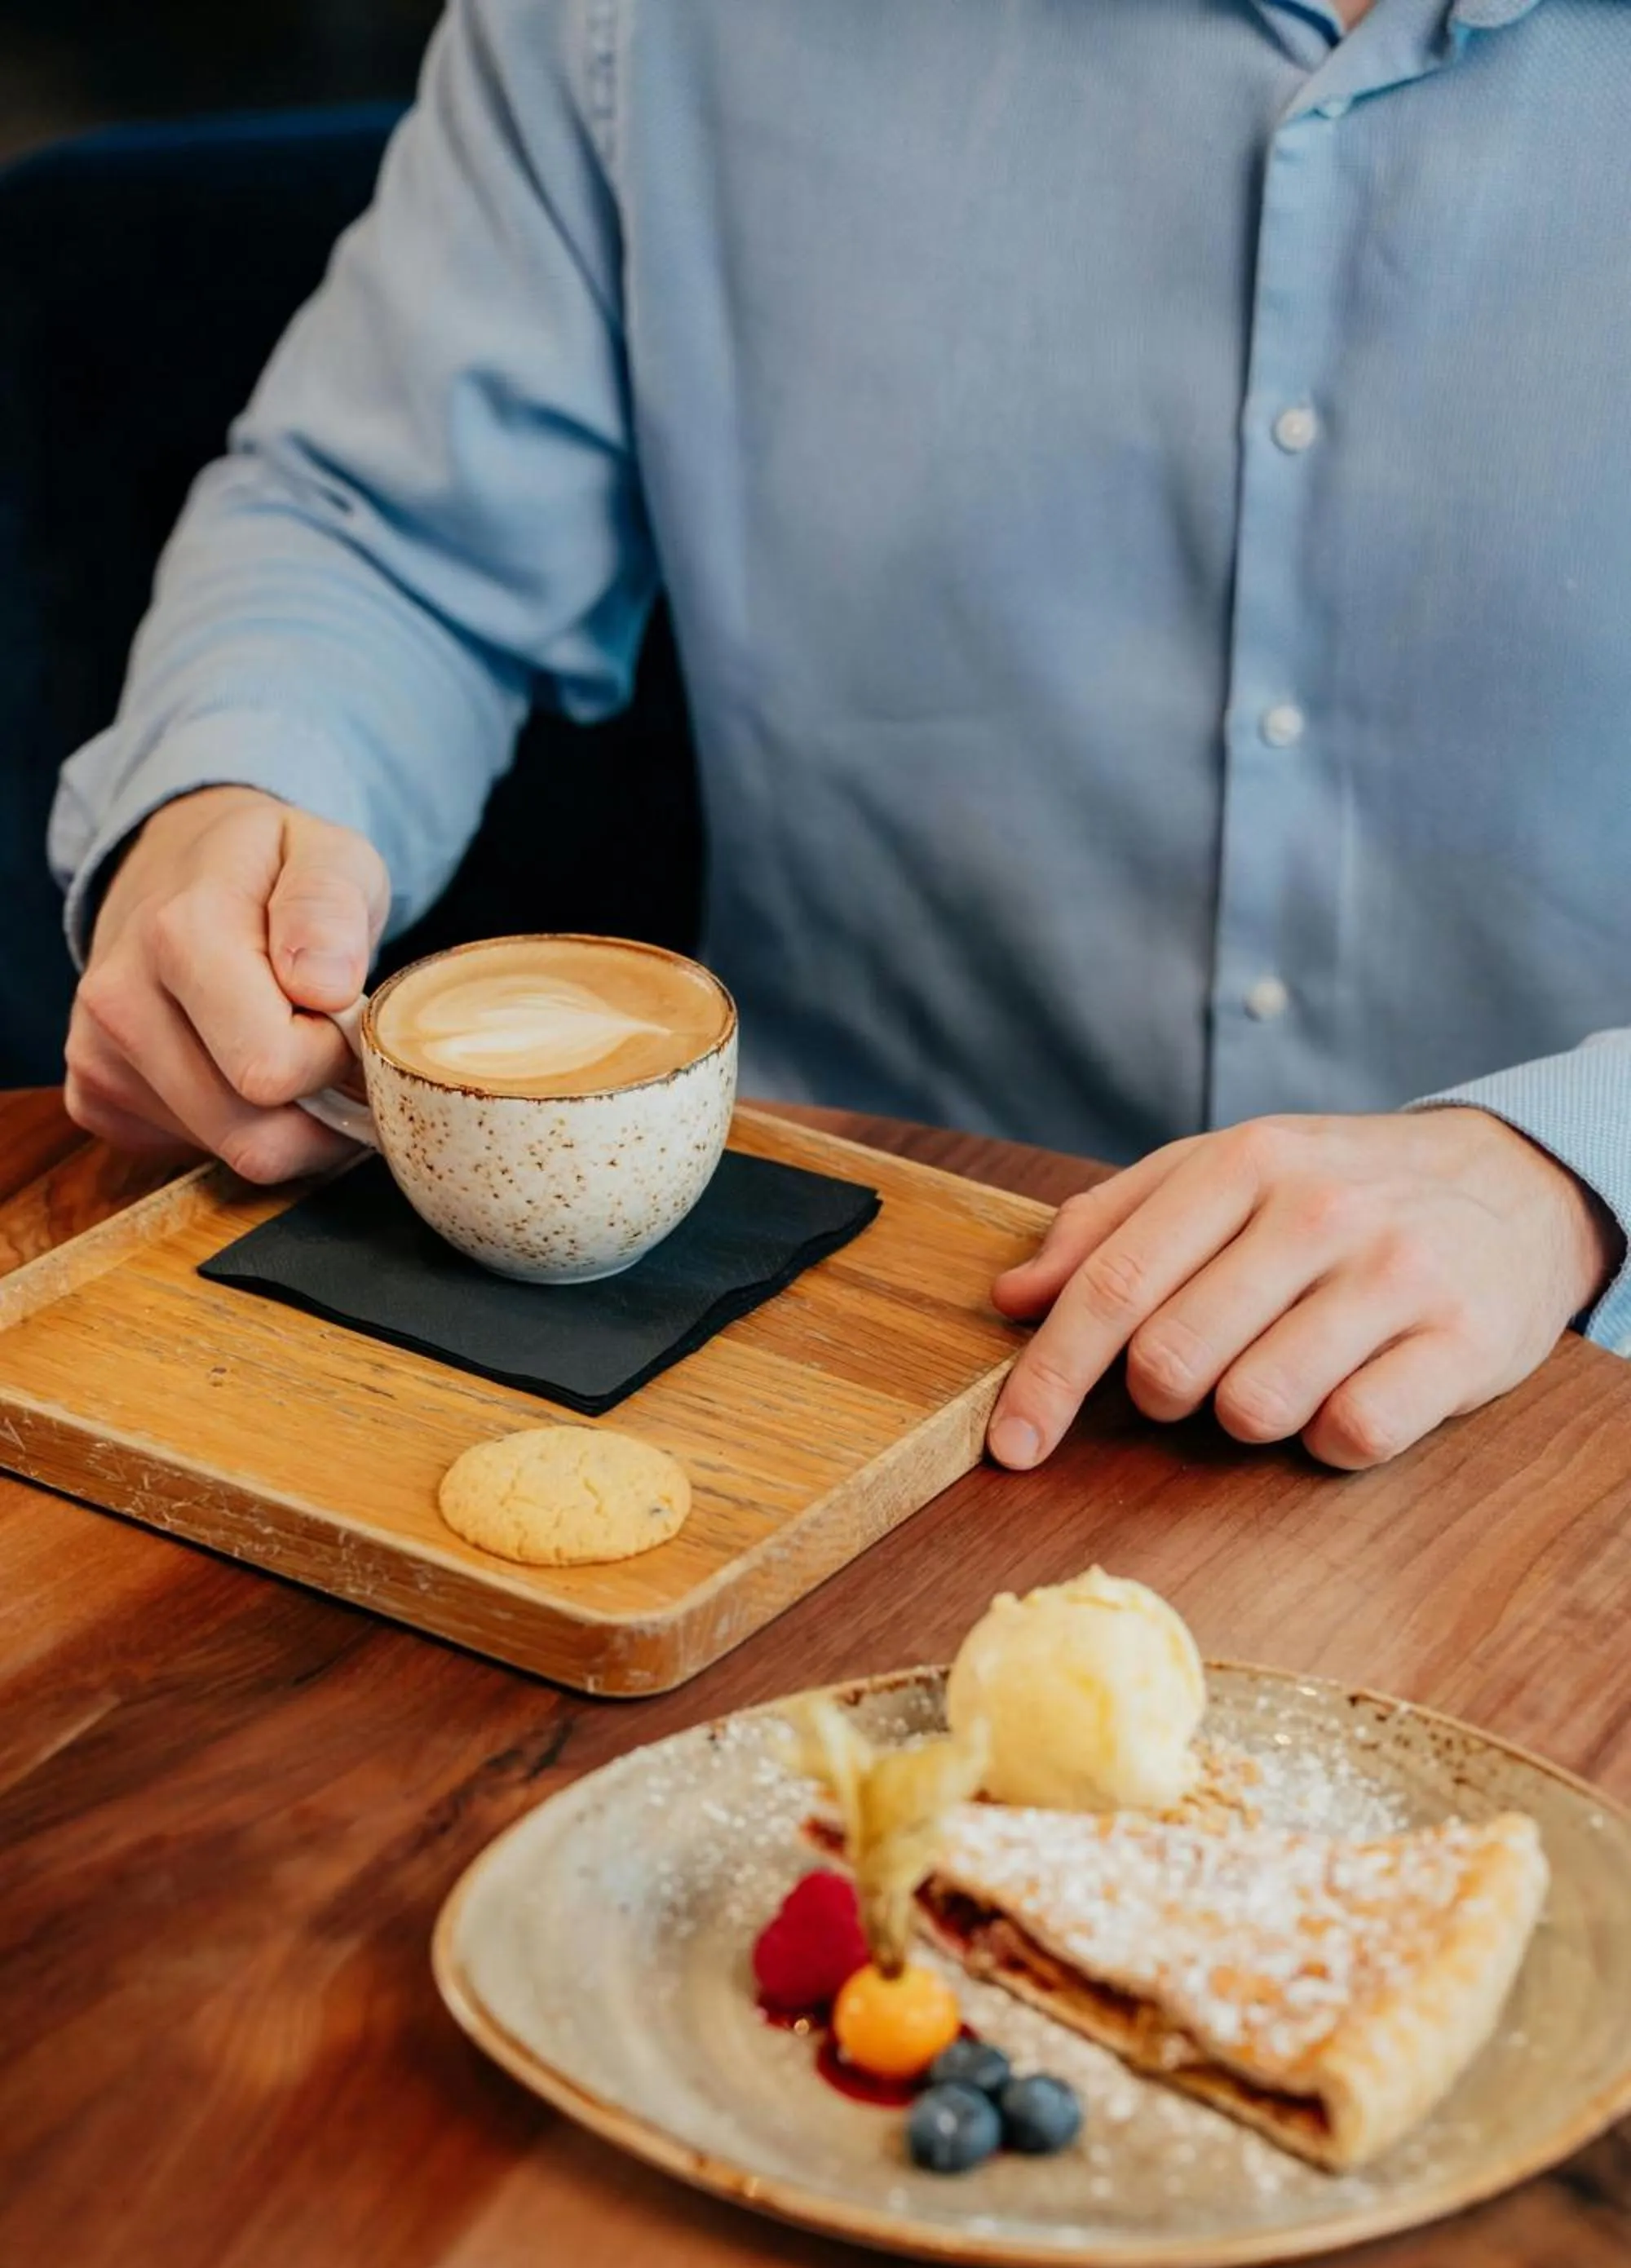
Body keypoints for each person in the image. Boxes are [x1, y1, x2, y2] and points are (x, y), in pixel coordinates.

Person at [49, 0, 1629, 1479]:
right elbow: (389, 534)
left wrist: (1570, 1170)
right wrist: (227, 796)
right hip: (826, 1342)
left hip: (1567, 1384)